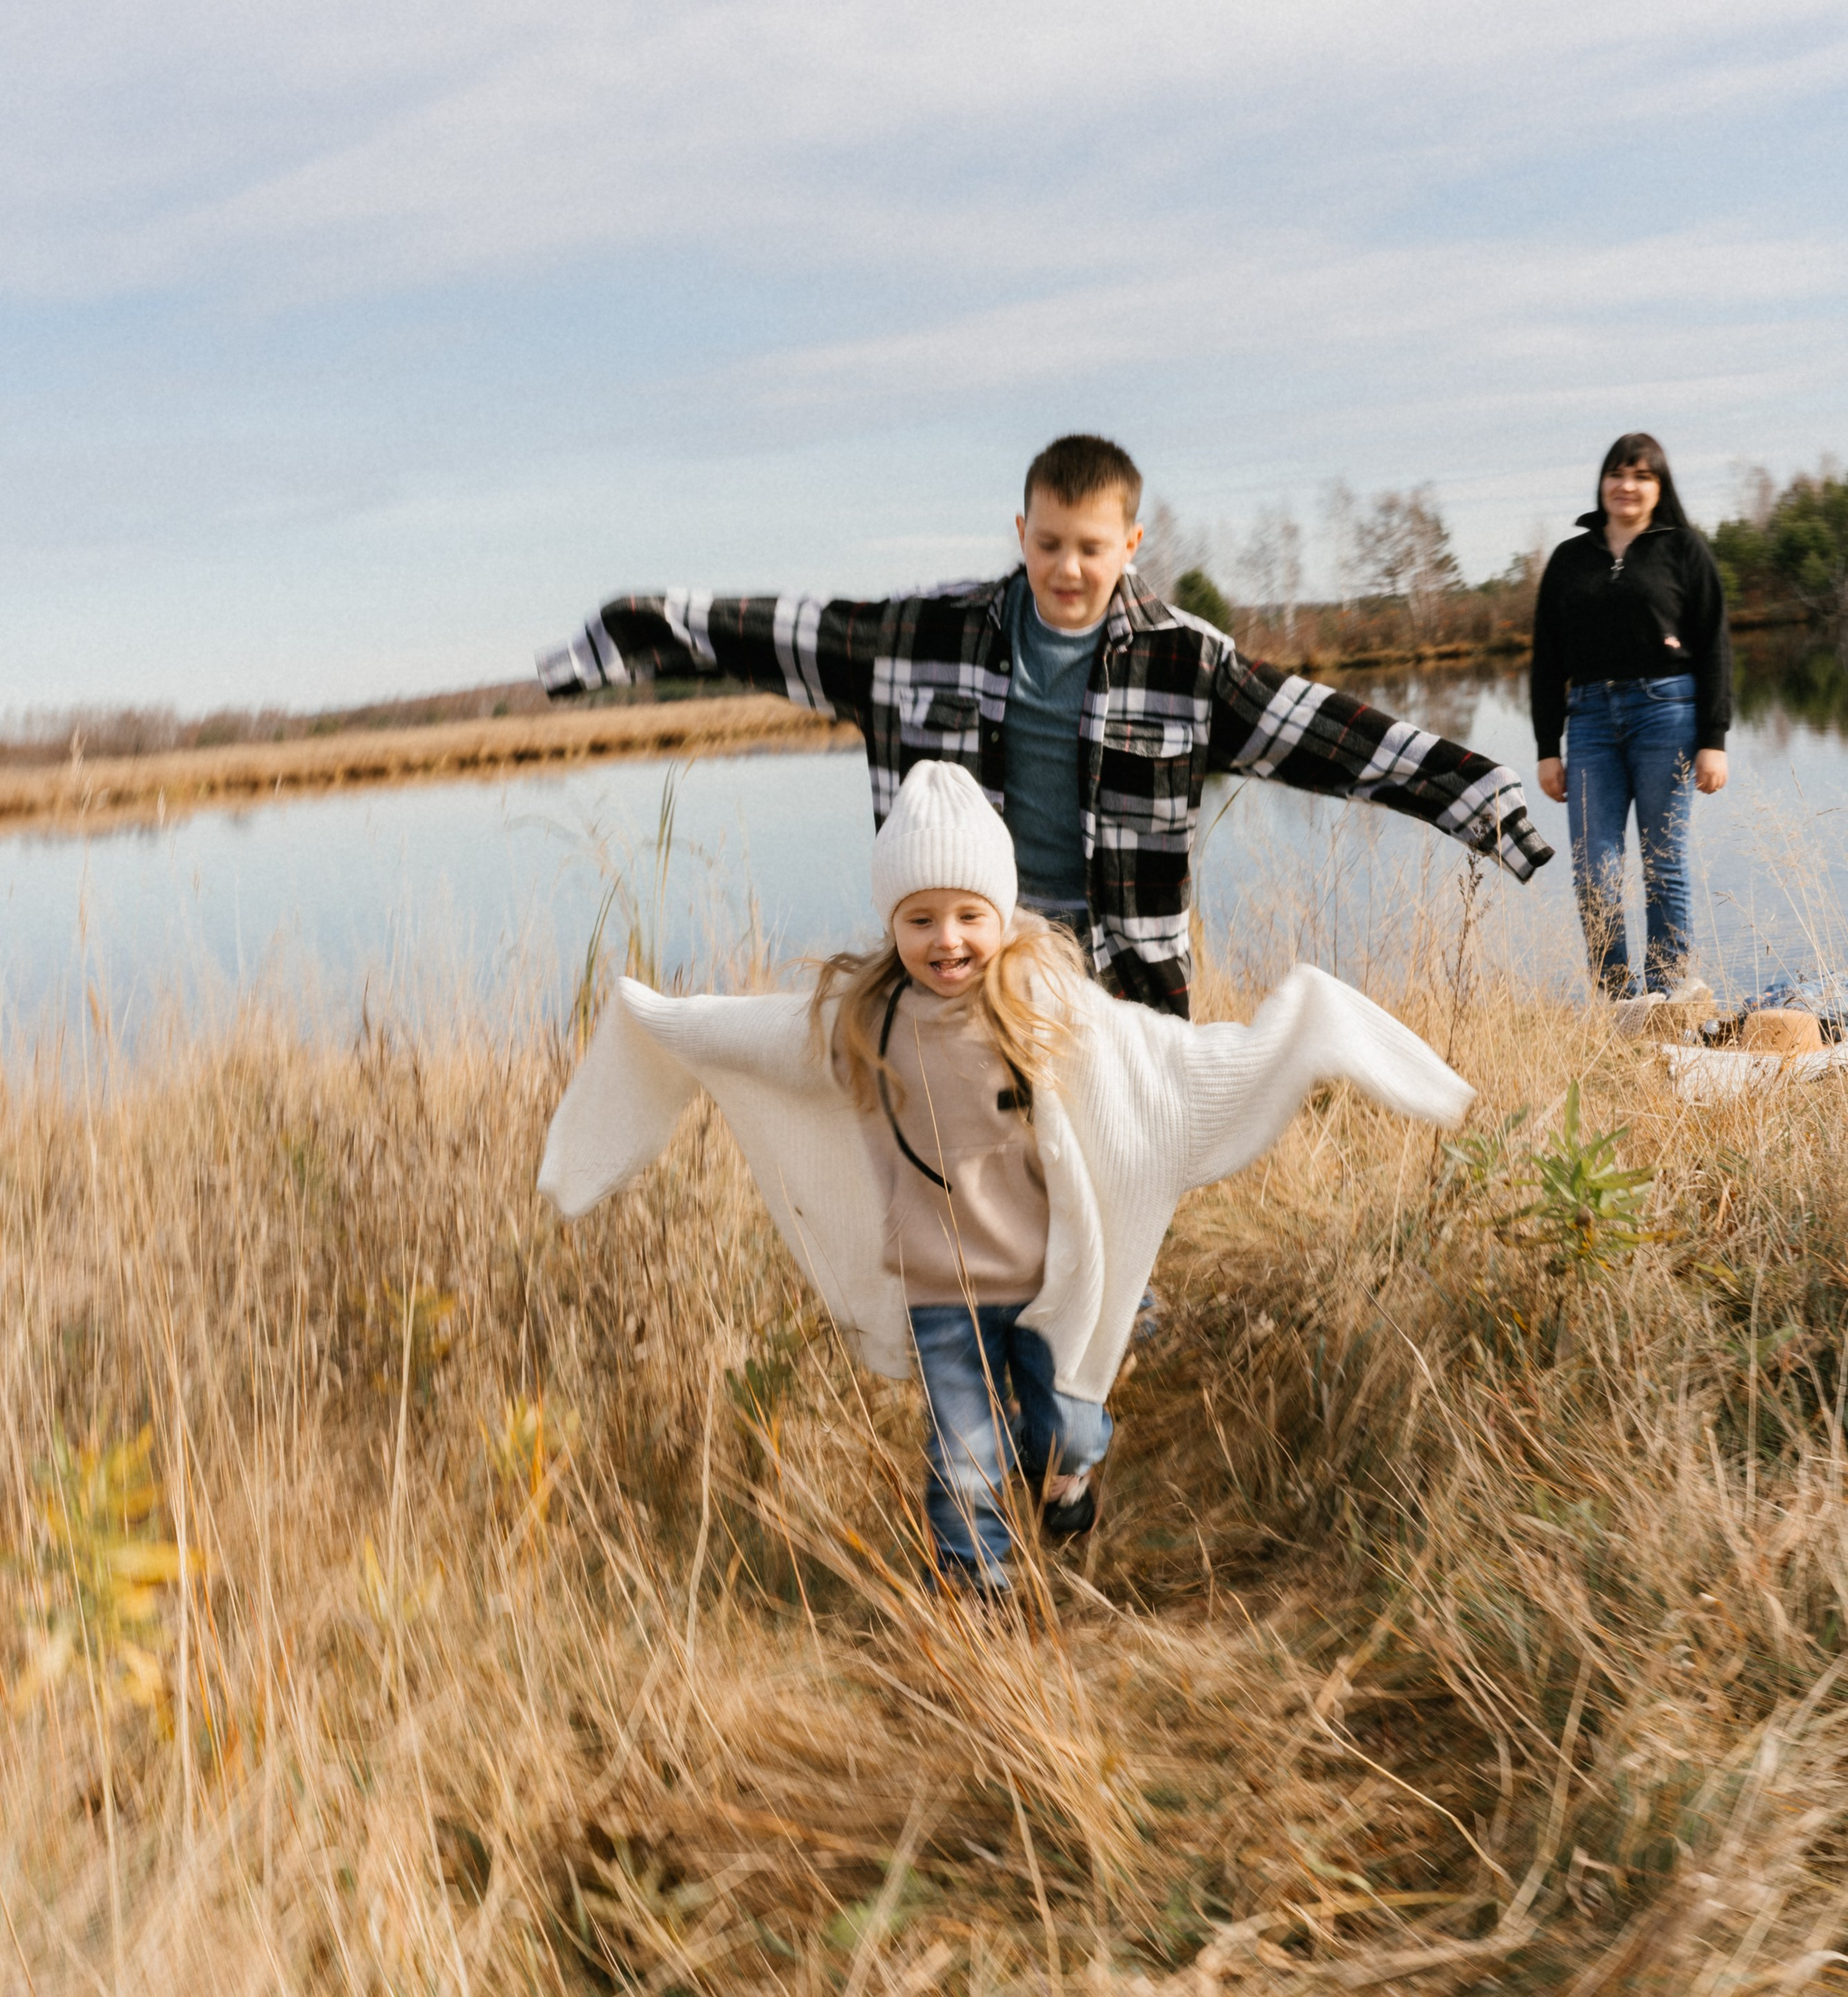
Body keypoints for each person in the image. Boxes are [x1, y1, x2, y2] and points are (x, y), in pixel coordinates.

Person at [538, 762, 1473, 1588]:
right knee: (963, 1450)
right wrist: (654, 1018)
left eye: (968, 916)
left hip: (1040, 1280)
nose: (947, 940)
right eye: (920, 919)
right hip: (940, 1292)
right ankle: (975, 1579)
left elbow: (1160, 1061)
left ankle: (1073, 1467)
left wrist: (1292, 1032)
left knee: (1056, 1425)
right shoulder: (864, 1022)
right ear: (892, 922)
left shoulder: (1042, 1006)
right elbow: (740, 1035)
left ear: (1004, 915)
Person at [536, 433, 1551, 1015]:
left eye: (1092, 547)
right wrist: (618, 637)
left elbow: (1331, 735)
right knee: (979, 1159)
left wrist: (1482, 799)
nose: (1069, 569)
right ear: (1021, 533)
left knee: (1118, 1157)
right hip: (974, 948)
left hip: (1125, 968)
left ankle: (1115, 1312)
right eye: (1050, 543)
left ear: (1132, 542)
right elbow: (762, 631)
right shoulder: (916, 635)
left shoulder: (1184, 660)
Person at [1530, 433, 1731, 1001]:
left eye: (1642, 476)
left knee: (1663, 862)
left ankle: (1668, 997)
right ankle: (1618, 1003)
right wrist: (1549, 747)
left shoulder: (1684, 550)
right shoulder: (1571, 560)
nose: (1627, 485)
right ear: (1602, 482)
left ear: (1659, 488)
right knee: (1594, 871)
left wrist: (1713, 738)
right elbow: (1547, 659)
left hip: (1667, 714)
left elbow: (1715, 644)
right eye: (1618, 473)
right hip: (1589, 722)